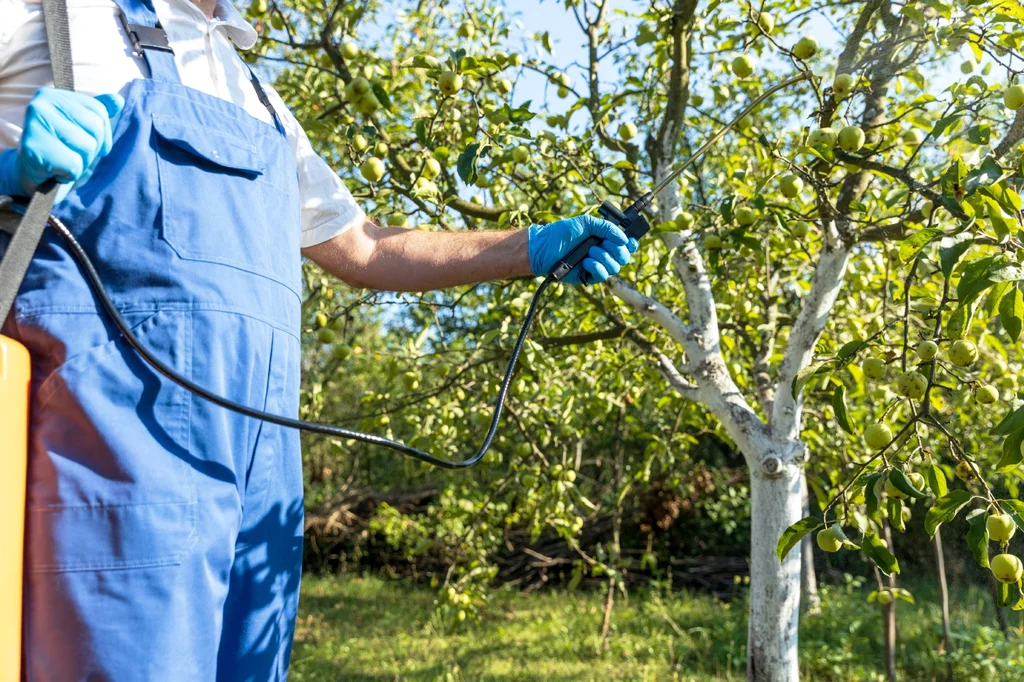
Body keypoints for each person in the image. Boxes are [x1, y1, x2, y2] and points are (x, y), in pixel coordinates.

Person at [0, 1, 637, 680]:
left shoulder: (256, 94)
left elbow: (364, 250)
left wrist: (532, 247)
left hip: (262, 476)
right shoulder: (50, 17)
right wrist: (10, 171)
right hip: (119, 456)